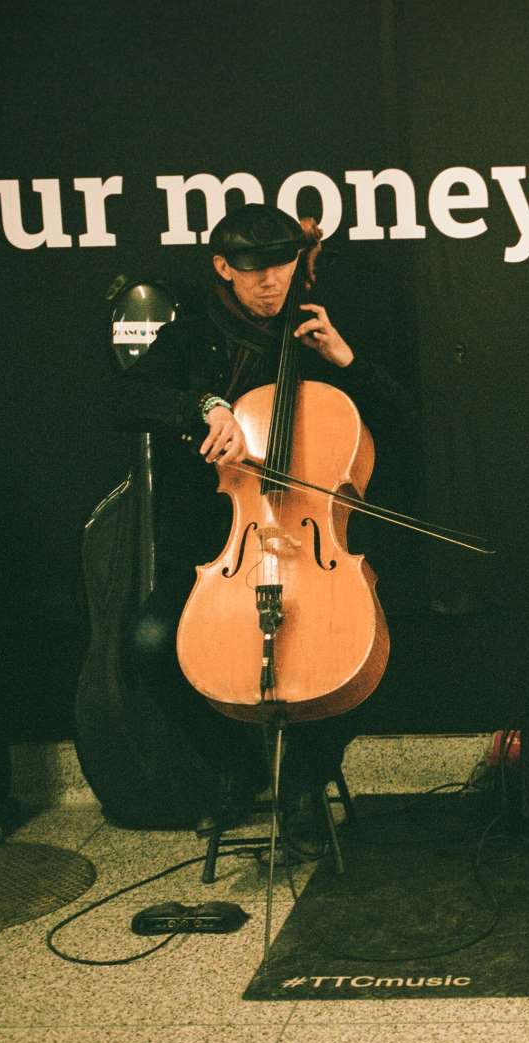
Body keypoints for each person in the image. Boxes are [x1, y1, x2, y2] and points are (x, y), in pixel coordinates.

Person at [112, 203, 385, 856]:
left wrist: (347, 363)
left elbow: (396, 422)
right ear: (221, 268)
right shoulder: (193, 332)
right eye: (253, 270)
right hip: (218, 548)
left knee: (352, 649)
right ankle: (237, 770)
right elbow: (127, 398)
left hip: (313, 543)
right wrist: (204, 407)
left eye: (284, 265)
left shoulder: (315, 332)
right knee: (150, 644)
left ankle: (303, 783)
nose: (271, 283)